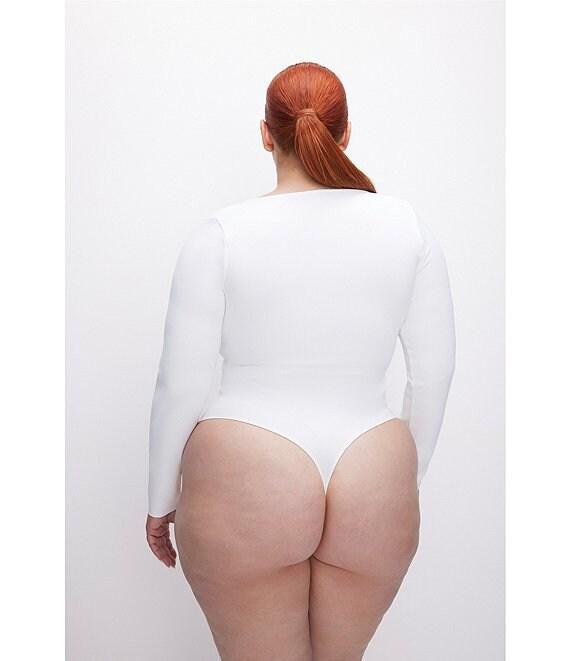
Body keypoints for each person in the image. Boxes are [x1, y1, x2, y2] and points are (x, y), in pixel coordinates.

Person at [145, 61, 456, 661]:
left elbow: (179, 384)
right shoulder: (408, 229)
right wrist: (399, 485)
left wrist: (161, 501)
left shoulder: (221, 234)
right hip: (373, 462)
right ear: (345, 133)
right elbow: (433, 374)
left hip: (249, 463)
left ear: (266, 135)